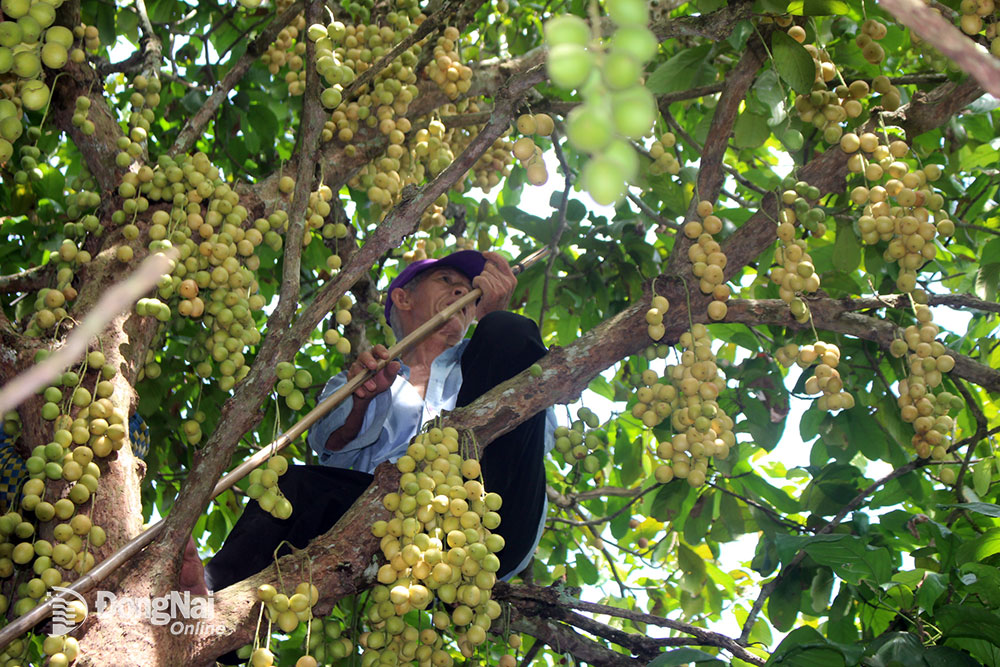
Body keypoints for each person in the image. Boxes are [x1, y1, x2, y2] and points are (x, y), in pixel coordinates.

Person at [203, 250, 554, 594]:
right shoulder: (362, 375)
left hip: (491, 520)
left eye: (467, 289)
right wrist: (361, 398)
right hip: (394, 529)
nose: (462, 291)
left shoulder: (487, 354)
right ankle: (209, 594)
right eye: (446, 281)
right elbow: (328, 444)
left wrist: (494, 319)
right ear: (403, 298)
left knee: (508, 329)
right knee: (290, 485)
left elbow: (537, 434)